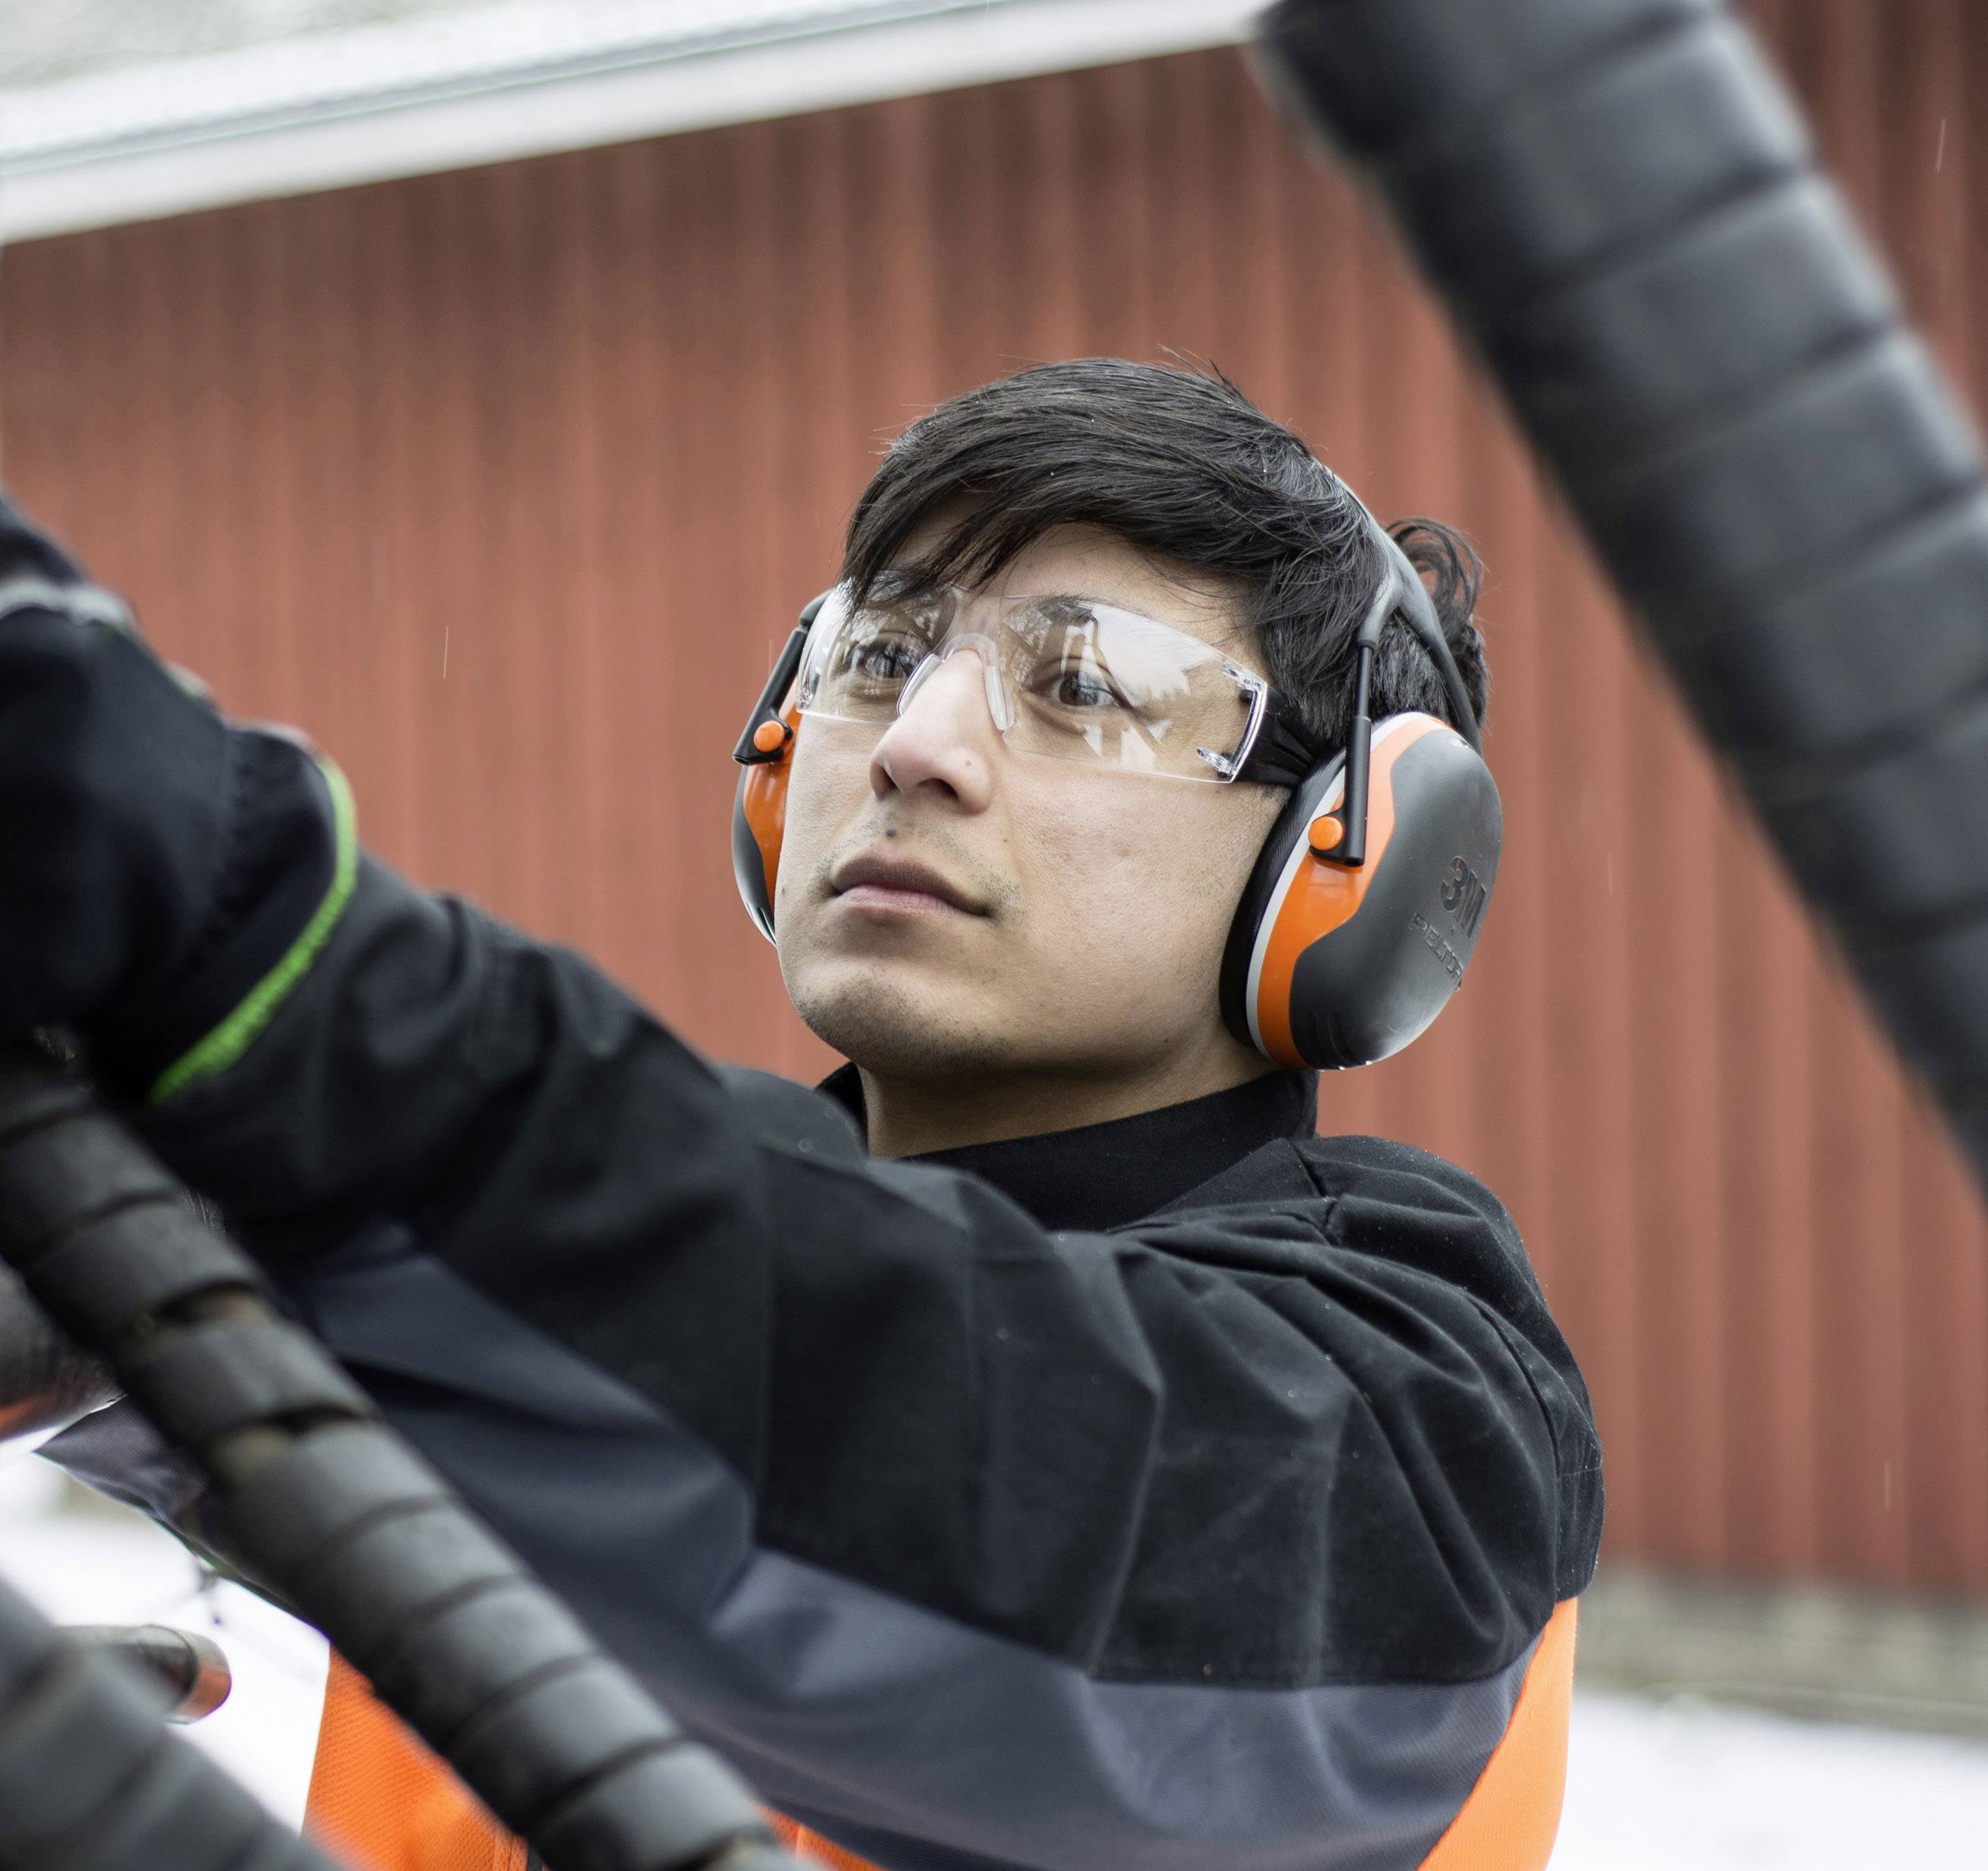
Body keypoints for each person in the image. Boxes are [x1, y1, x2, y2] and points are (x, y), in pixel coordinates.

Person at [0, 360, 1601, 1871]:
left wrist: (250, 940)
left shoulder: (1416, 1432)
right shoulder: (533, 1329)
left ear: (1349, 856)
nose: (914, 748)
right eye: (882, 658)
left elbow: (952, 1446)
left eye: (1082, 686)